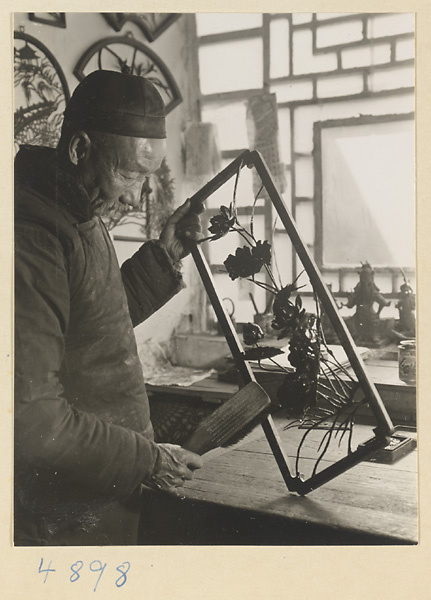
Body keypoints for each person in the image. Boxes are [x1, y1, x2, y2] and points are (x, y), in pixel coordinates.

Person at [14, 70, 204, 546]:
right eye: (130, 173)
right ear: (80, 150)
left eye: (147, 175)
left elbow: (91, 322)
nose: (135, 194)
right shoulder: (32, 236)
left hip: (105, 493)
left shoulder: (77, 206)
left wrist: (165, 255)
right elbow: (34, 417)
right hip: (64, 518)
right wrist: (147, 459)